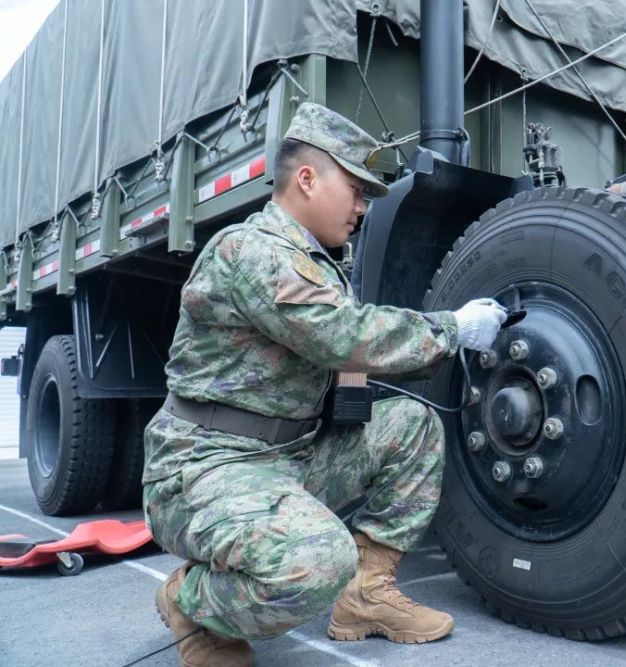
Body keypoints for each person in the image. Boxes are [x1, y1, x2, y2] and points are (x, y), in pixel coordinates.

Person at [142, 102, 507, 666]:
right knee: (317, 563)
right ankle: (191, 602)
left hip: (286, 454)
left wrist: (441, 340)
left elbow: (352, 347)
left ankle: (366, 596)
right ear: (307, 179)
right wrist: (454, 329)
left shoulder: (317, 258)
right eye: (357, 189)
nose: (363, 206)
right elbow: (342, 336)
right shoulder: (252, 250)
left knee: (412, 427)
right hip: (205, 468)